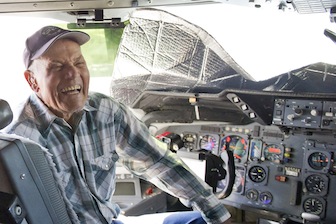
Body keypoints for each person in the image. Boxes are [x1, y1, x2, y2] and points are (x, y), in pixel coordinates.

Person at [4, 25, 232, 224]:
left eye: (78, 62)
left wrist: (218, 215)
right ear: (32, 80)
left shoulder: (105, 110)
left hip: (112, 220)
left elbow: (158, 161)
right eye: (56, 66)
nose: (72, 73)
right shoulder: (19, 138)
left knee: (203, 220)